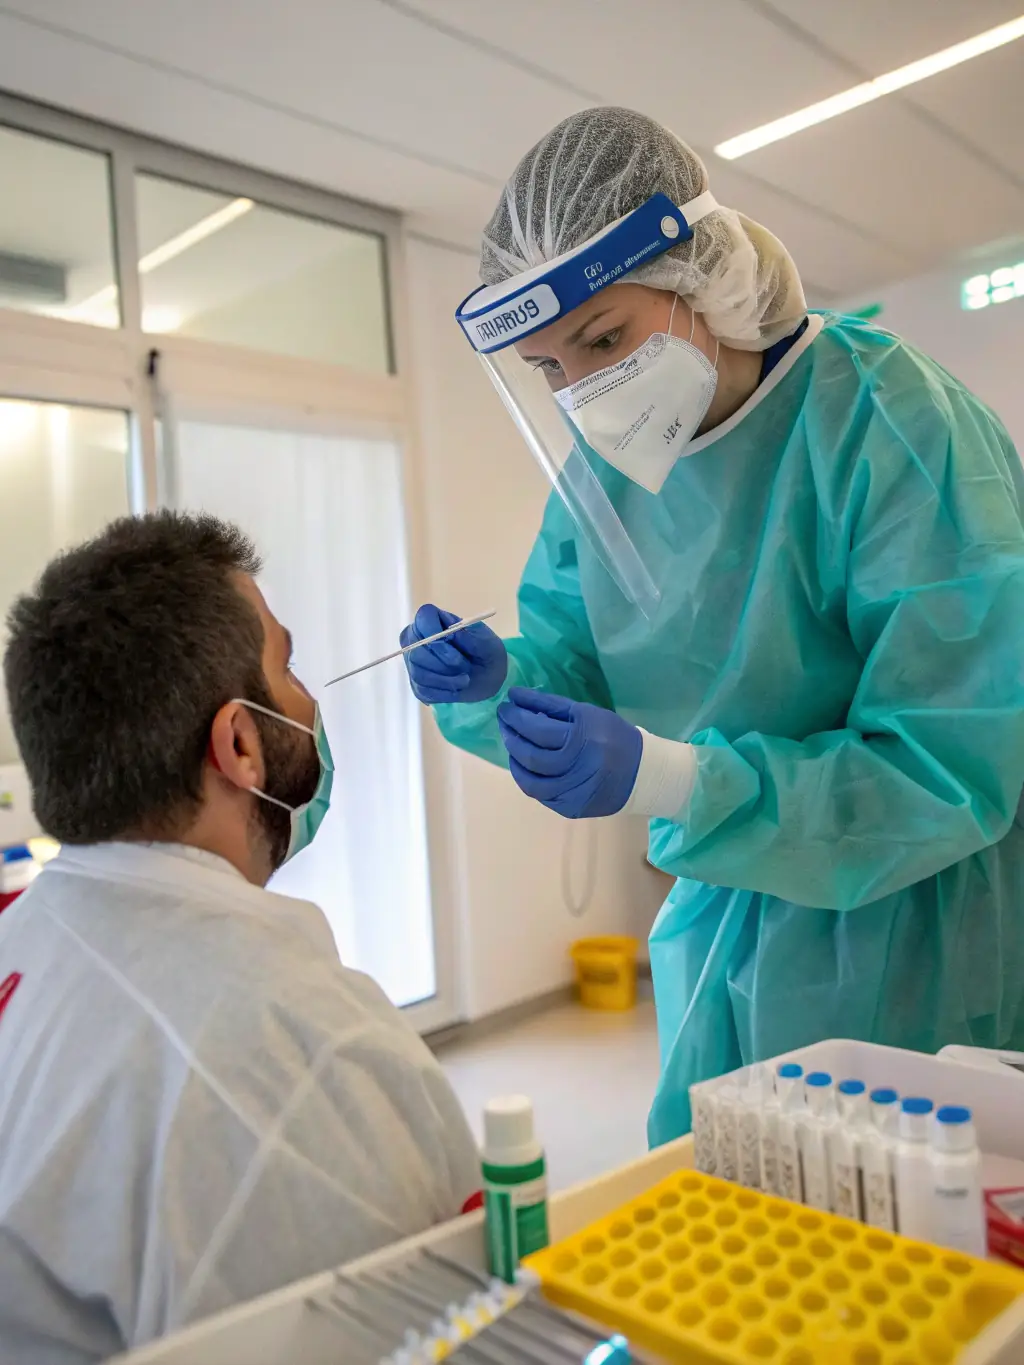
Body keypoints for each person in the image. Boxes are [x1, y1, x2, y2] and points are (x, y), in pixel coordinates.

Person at [401, 106, 1024, 1147]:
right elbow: (579, 660)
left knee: (899, 1252)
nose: (586, 393)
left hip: (913, 923)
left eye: (602, 339)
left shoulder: (891, 424)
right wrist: (497, 685)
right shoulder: (604, 476)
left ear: (708, 276)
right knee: (727, 1222)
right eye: (551, 369)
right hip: (722, 917)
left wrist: (674, 781)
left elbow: (951, 761)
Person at [0, 512, 480, 1364]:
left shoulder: (27, 938)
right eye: (286, 666)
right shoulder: (292, 1045)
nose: (310, 699)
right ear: (240, 743)